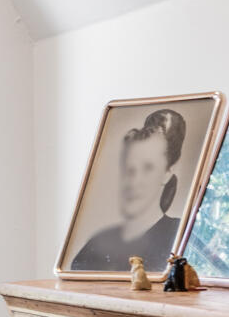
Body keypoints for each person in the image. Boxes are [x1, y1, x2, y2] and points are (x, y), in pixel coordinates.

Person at [70, 105, 191, 270]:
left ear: (167, 172)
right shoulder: (98, 242)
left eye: (148, 168)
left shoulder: (179, 236)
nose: (134, 180)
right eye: (129, 169)